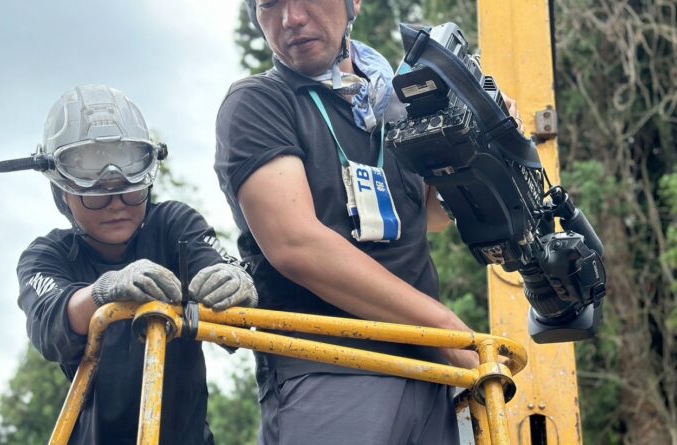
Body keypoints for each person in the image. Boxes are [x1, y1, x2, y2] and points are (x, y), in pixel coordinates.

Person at [215, 1, 522, 444]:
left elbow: (428, 218)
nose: (291, 19)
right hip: (328, 368)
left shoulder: (395, 102)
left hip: (431, 378)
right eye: (269, 5)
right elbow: (296, 245)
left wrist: (484, 146)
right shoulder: (259, 102)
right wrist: (445, 329)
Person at [4, 84, 257, 445]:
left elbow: (213, 265)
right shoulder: (47, 255)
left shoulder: (173, 225)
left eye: (129, 188)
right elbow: (49, 322)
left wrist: (237, 282)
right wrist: (105, 291)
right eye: (97, 195)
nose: (116, 204)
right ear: (63, 192)